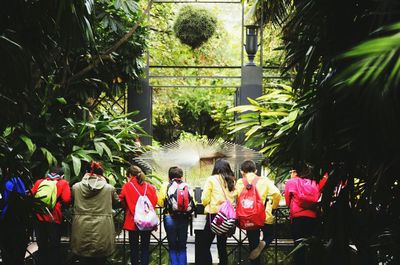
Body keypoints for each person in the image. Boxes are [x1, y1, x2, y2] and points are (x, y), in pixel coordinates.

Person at [71, 161, 119, 265]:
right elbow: (117, 202)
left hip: (81, 227)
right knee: (101, 259)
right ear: (101, 174)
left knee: (83, 258)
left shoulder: (76, 187)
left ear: (86, 172)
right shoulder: (109, 189)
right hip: (103, 228)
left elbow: (71, 201)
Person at [235, 160, 282, 264]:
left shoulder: (239, 182)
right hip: (264, 216)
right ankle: (263, 243)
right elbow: (277, 194)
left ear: (242, 172)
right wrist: (274, 207)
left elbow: (235, 196)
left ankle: (255, 256)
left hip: (248, 217)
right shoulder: (264, 180)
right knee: (270, 235)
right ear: (255, 171)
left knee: (253, 244)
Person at [284, 166, 328, 265]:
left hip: (297, 217)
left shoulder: (292, 182)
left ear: (296, 172)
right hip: (313, 216)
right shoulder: (315, 182)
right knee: (312, 245)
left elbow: (287, 200)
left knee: (299, 246)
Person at [31, 166, 71, 265]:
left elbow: (31, 195)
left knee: (42, 244)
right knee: (54, 245)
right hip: (54, 218)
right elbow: (66, 199)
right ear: (62, 176)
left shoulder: (39, 182)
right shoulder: (63, 183)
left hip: (39, 216)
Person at [119, 165, 158, 265]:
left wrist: (128, 207)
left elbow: (121, 199)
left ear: (130, 175)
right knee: (145, 248)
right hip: (147, 222)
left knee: (134, 248)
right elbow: (154, 201)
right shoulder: (150, 187)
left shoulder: (127, 186)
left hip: (133, 221)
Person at [201, 158, 236, 265]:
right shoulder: (232, 180)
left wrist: (207, 203)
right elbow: (234, 196)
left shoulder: (212, 179)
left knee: (205, 245)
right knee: (222, 246)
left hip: (215, 216)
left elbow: (204, 199)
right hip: (227, 216)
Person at [158, 166, 194, 265]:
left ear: (169, 177)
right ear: (181, 176)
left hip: (170, 217)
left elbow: (160, 203)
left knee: (172, 246)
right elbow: (192, 203)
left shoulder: (166, 185)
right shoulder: (186, 186)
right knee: (182, 246)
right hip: (184, 218)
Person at [0, 174, 28, 265]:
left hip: (6, 219)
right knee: (17, 248)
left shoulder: (7, 182)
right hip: (19, 219)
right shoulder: (18, 181)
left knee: (7, 249)